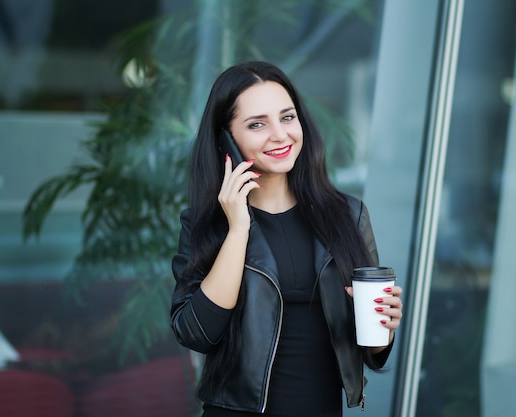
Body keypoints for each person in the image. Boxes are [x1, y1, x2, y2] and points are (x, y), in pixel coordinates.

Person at [170, 61, 403, 417]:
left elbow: (372, 352)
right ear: (226, 139)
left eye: (288, 117)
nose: (280, 135)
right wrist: (237, 228)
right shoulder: (209, 224)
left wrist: (383, 325)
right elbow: (197, 333)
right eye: (257, 124)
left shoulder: (347, 216)